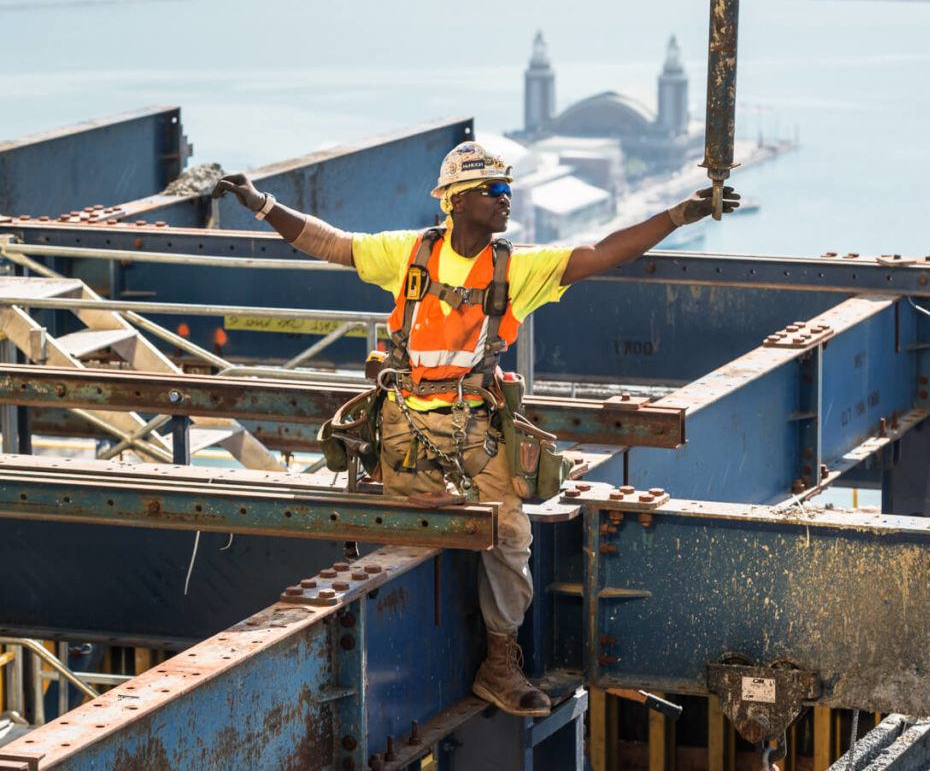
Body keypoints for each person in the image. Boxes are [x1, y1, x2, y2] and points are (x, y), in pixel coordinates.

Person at [213, 140, 738, 717]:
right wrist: (262, 204)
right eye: (495, 191)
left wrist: (678, 215)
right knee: (406, 539)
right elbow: (331, 243)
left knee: (509, 535)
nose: (506, 200)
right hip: (405, 427)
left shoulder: (518, 269)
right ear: (458, 202)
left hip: (476, 429)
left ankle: (499, 660)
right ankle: (390, 661)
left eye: (508, 190)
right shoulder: (409, 254)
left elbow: (602, 253)